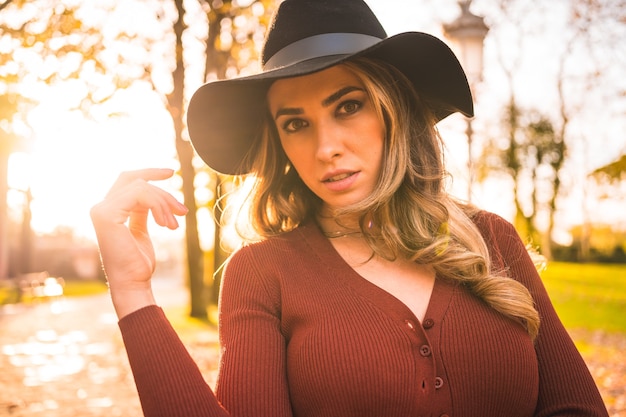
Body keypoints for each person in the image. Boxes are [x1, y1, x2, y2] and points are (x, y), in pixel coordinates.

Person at [90, 0, 609, 416]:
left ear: (394, 110)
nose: (325, 147)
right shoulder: (262, 272)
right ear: (280, 143)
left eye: (349, 106)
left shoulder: (490, 239)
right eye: (296, 123)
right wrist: (133, 292)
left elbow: (577, 407)